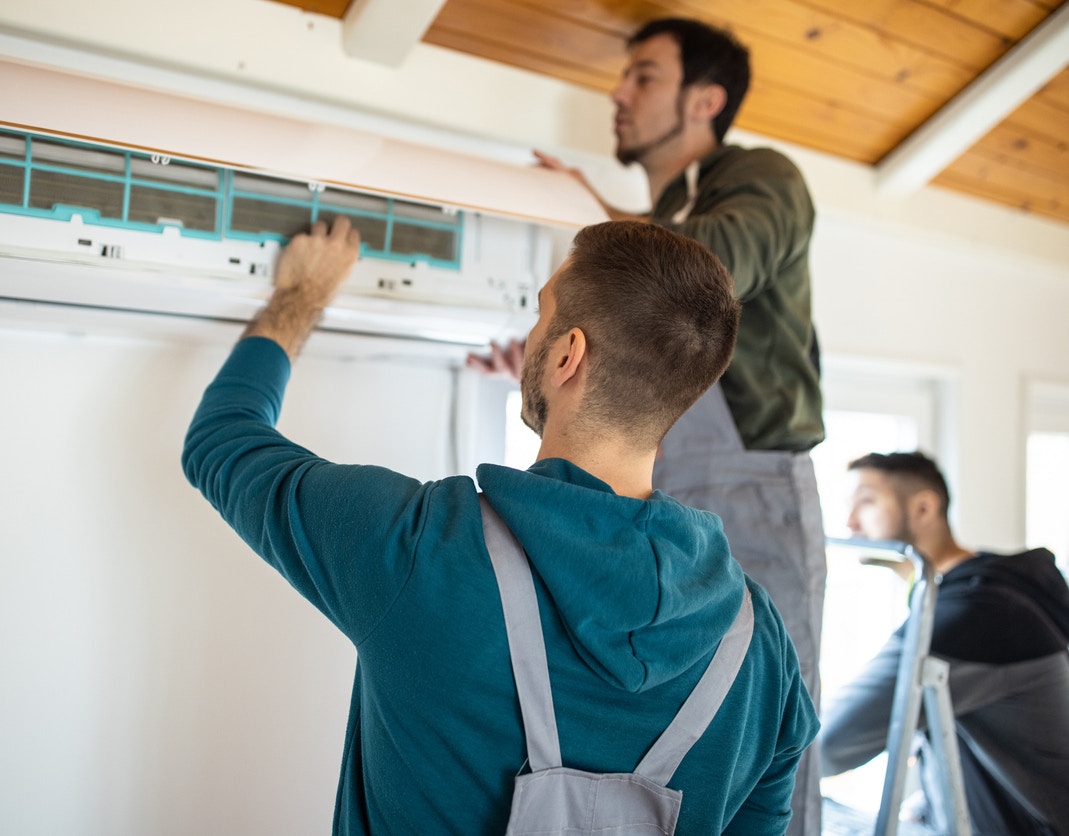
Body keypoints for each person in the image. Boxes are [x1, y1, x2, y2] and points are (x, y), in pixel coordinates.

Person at [182, 216, 819, 834]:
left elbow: (222, 440)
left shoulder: (422, 547)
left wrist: (300, 296)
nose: (531, 334)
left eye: (541, 314)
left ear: (568, 354)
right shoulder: (760, 645)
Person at [470, 17, 826, 833]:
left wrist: (600, 228)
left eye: (643, 76)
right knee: (669, 722)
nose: (617, 92)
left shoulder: (760, 177)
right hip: (664, 483)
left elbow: (700, 280)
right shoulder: (667, 209)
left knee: (767, 721)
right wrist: (554, 361)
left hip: (752, 479)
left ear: (704, 100)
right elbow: (652, 315)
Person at [821, 451, 1069, 834]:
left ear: (923, 508)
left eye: (866, 502)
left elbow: (826, 744)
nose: (850, 522)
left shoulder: (978, 613)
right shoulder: (993, 589)